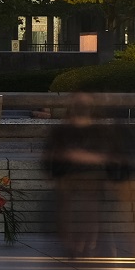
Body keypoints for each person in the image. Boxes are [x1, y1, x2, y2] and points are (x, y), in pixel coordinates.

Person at [43, 94, 113, 259]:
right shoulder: (66, 131)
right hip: (73, 175)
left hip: (86, 176)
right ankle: (78, 244)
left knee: (84, 210)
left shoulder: (95, 131)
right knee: (73, 210)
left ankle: (82, 244)